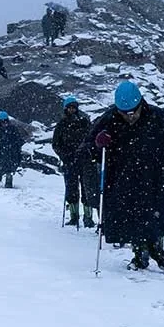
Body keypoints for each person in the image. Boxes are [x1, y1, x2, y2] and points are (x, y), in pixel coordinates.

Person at [80, 81, 164, 271]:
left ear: (140, 104)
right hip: (123, 181)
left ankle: (157, 250)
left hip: (155, 179)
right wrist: (98, 143)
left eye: (133, 112)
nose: (130, 117)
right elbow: (87, 150)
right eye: (124, 113)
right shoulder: (109, 120)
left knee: (156, 217)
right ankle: (139, 255)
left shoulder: (157, 117)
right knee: (133, 219)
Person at [52, 96, 99, 228]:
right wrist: (64, 156)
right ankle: (75, 217)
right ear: (66, 109)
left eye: (74, 107)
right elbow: (56, 144)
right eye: (70, 107)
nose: (72, 110)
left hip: (84, 160)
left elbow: (91, 139)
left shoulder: (83, 122)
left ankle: (87, 218)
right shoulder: (62, 125)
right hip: (71, 161)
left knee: (86, 189)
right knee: (72, 189)